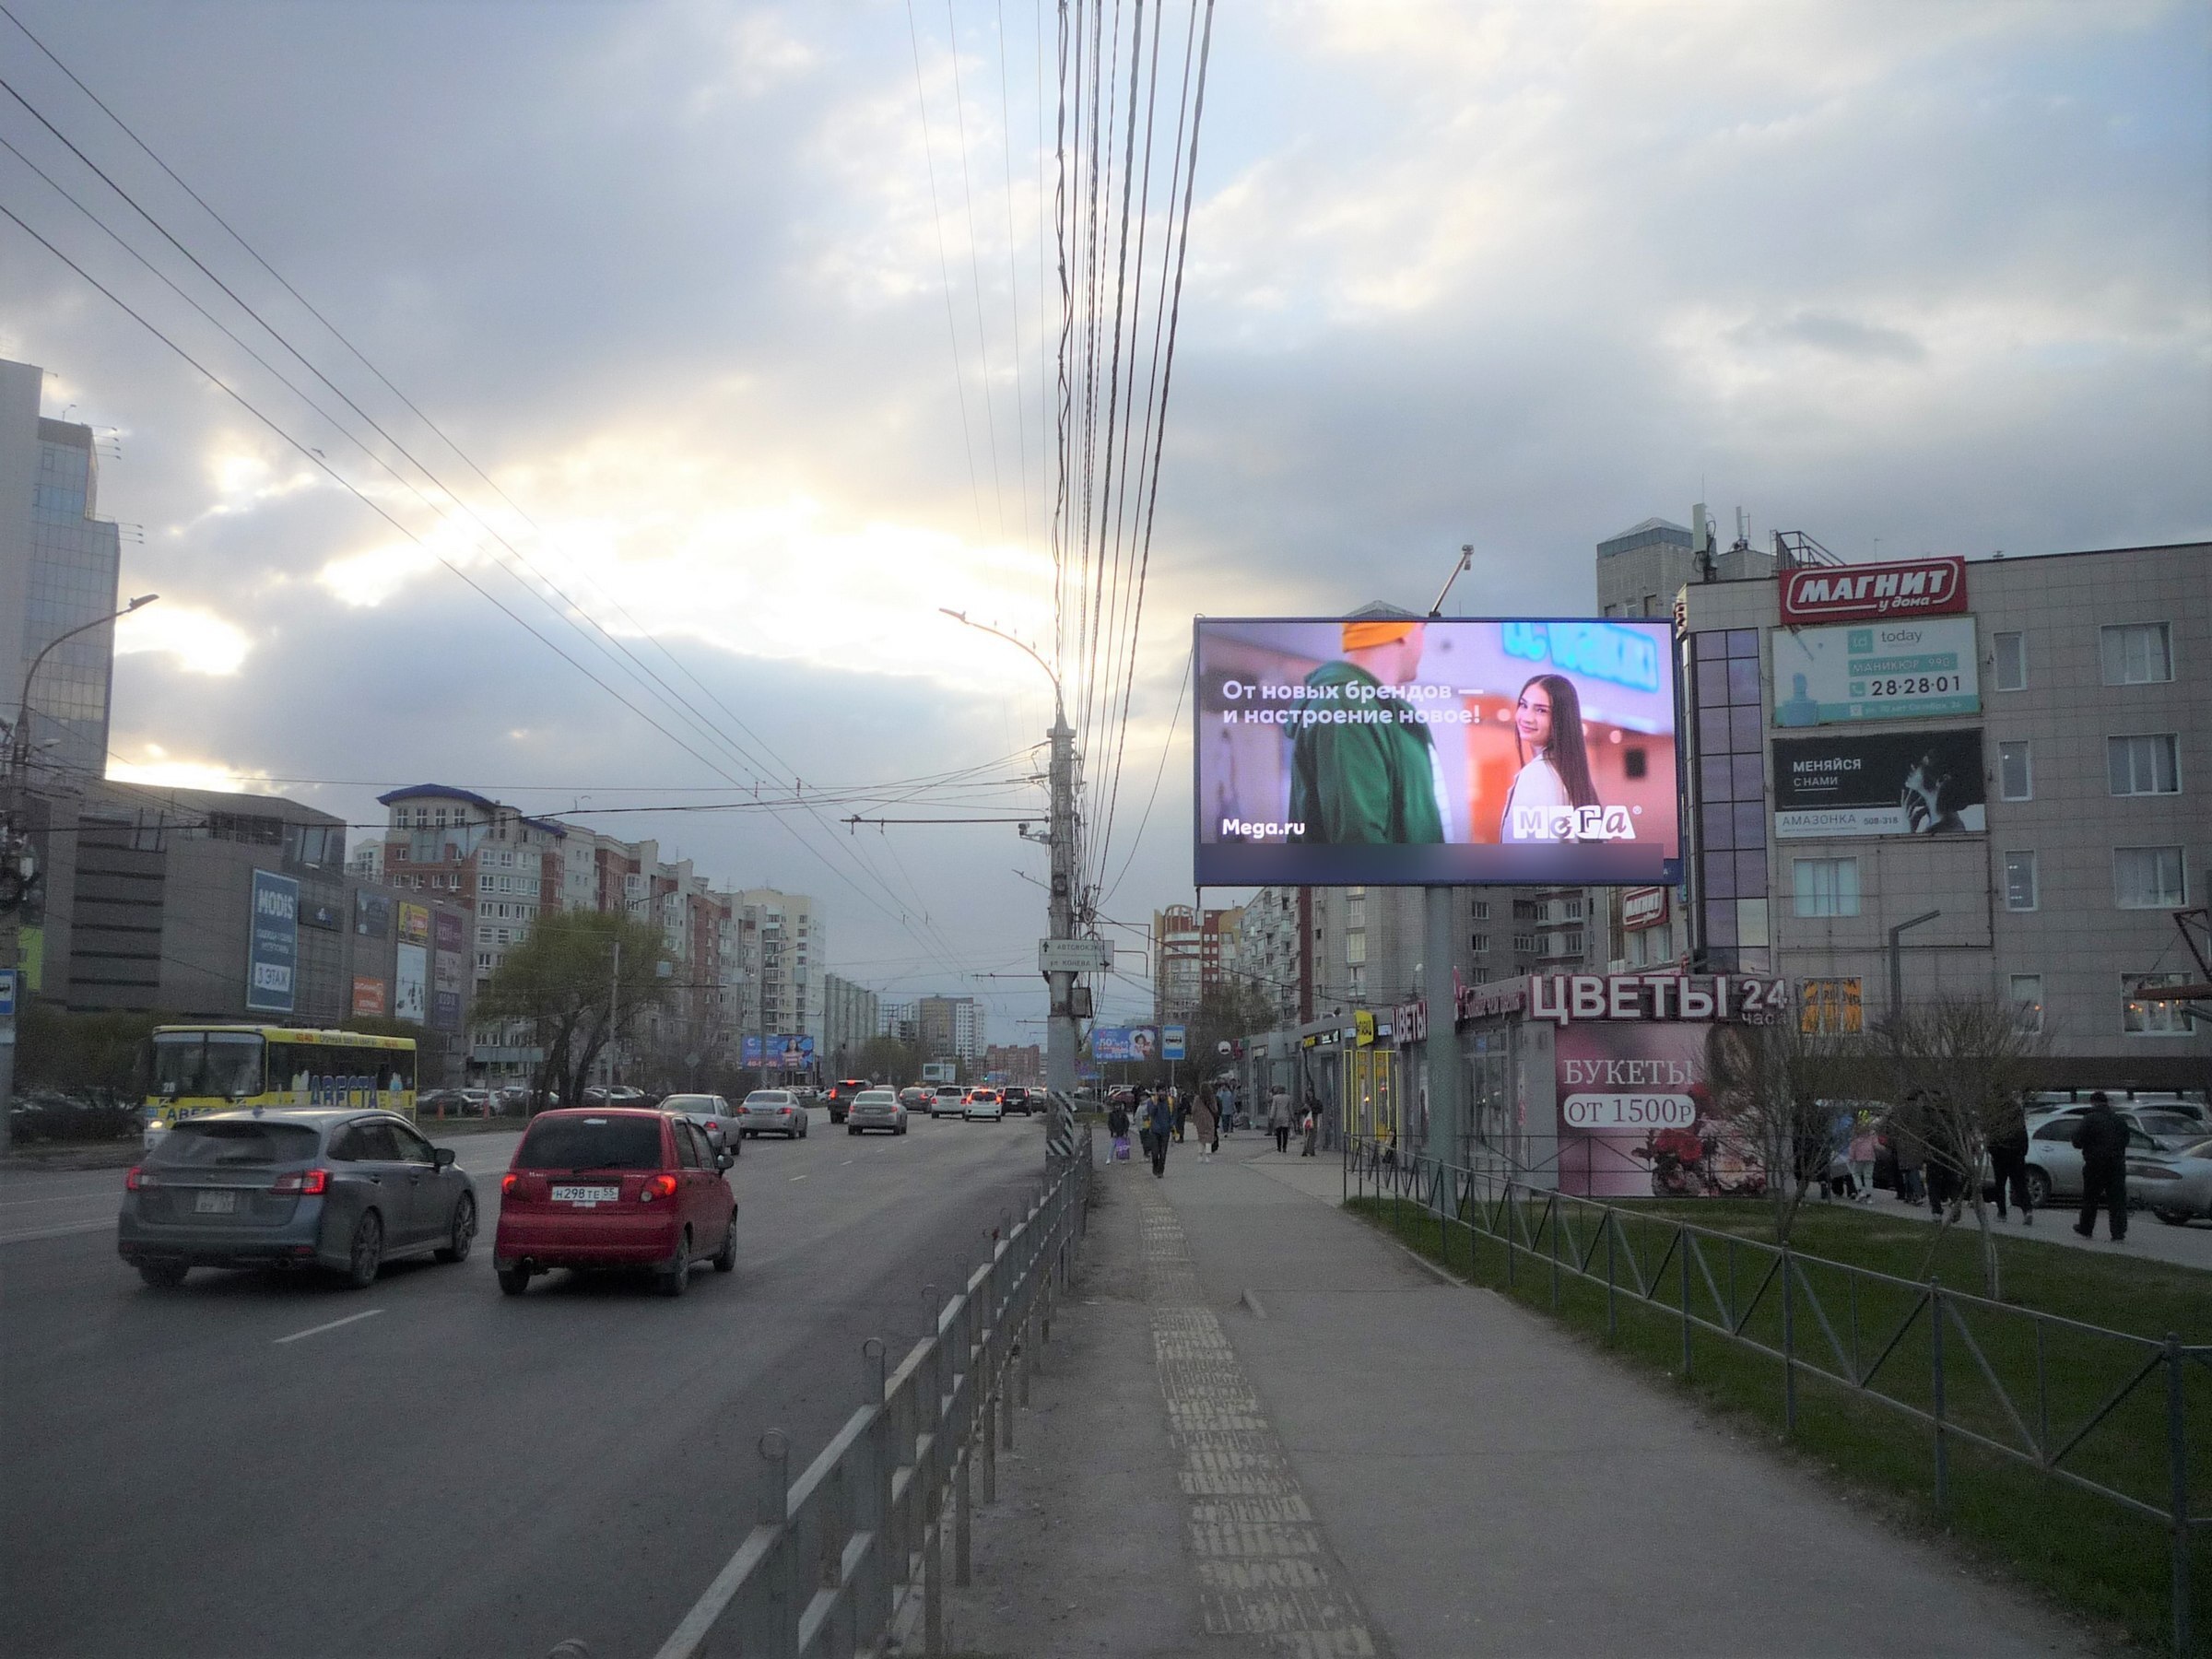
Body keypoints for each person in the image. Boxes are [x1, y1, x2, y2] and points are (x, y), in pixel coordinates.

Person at [1286, 619, 1448, 845]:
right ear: (1401, 629)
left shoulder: (1386, 712)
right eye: (1422, 629)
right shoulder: (1346, 707)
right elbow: (1359, 846)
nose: (1422, 642)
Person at [1500, 673, 1599, 842]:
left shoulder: (1538, 775)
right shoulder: (1571, 776)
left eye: (1541, 710)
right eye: (1523, 705)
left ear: (1561, 719)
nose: (1526, 717)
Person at [2074, 1091, 2129, 1241]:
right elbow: (2126, 1140)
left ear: (2093, 1102)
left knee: (2091, 1197)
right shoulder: (2119, 1120)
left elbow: (2077, 1141)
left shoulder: (2090, 1119)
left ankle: (2086, 1227)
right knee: (2117, 1199)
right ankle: (2118, 1232)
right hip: (2116, 1164)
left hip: (2095, 1163)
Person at [1987, 1095, 2032, 1225]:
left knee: (2000, 1185)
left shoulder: (1995, 1113)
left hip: (2000, 1153)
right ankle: (2027, 1210)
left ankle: (2002, 1213)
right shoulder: (2016, 1113)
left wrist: (1992, 1150)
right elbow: (2023, 1133)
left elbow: (1992, 1134)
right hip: (2016, 1153)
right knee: (2020, 1184)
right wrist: (2023, 1151)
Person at [1142, 1089, 1176, 1179]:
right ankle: (1155, 1166)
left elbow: (1173, 1114)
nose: (1162, 1094)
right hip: (1154, 1131)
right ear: (1157, 1093)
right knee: (1155, 1152)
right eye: (1160, 1092)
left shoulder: (1170, 1101)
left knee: (1163, 1152)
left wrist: (1171, 1124)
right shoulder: (1152, 1102)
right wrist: (1156, 1105)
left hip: (1165, 1131)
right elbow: (1151, 1114)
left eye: (1163, 1091)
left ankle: (1160, 1171)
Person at [1848, 1112, 1879, 1206]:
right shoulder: (1872, 1131)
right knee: (1868, 1176)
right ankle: (1869, 1197)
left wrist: (1851, 1157)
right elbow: (1875, 1144)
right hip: (1870, 1156)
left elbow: (1853, 1145)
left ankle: (1860, 1191)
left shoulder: (1856, 1131)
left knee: (1856, 1174)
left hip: (1859, 1156)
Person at [1192, 1088, 1218, 1163]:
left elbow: (1193, 1109)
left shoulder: (1197, 1098)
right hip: (1209, 1119)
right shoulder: (1211, 1098)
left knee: (1201, 1138)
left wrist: (1194, 1118)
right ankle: (1207, 1156)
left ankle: (1200, 1156)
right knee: (1209, 1138)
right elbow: (1215, 1109)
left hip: (1200, 1120)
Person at [1269, 1086, 1292, 1154]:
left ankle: (1279, 1147)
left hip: (1278, 1116)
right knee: (1285, 1133)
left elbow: (1274, 1108)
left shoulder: (1275, 1098)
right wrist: (1292, 1116)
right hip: (1286, 1115)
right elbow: (1290, 1108)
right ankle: (1284, 1147)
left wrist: (1271, 1117)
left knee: (1278, 1133)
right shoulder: (1288, 1097)